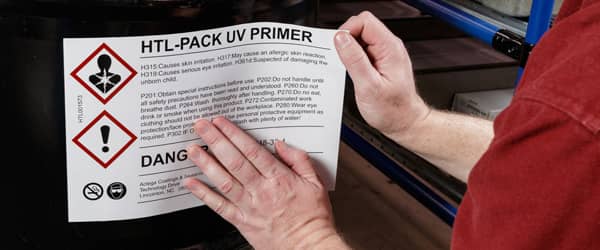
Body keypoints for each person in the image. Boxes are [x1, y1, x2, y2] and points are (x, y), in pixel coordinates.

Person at [183, 0, 600, 249]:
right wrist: (411, 122)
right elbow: (544, 166)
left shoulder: (581, 88)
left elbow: (571, 136)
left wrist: (301, 236)